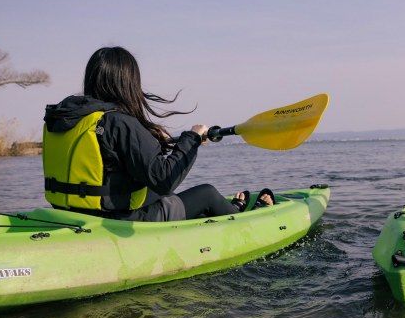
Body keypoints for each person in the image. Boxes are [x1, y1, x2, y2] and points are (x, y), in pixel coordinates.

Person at [42, 47, 273, 221]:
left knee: (155, 192)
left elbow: (112, 163)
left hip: (73, 215)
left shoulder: (66, 119)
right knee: (207, 194)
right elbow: (164, 180)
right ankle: (249, 216)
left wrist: (162, 143)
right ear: (127, 82)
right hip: (118, 220)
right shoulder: (118, 122)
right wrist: (192, 138)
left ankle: (225, 212)